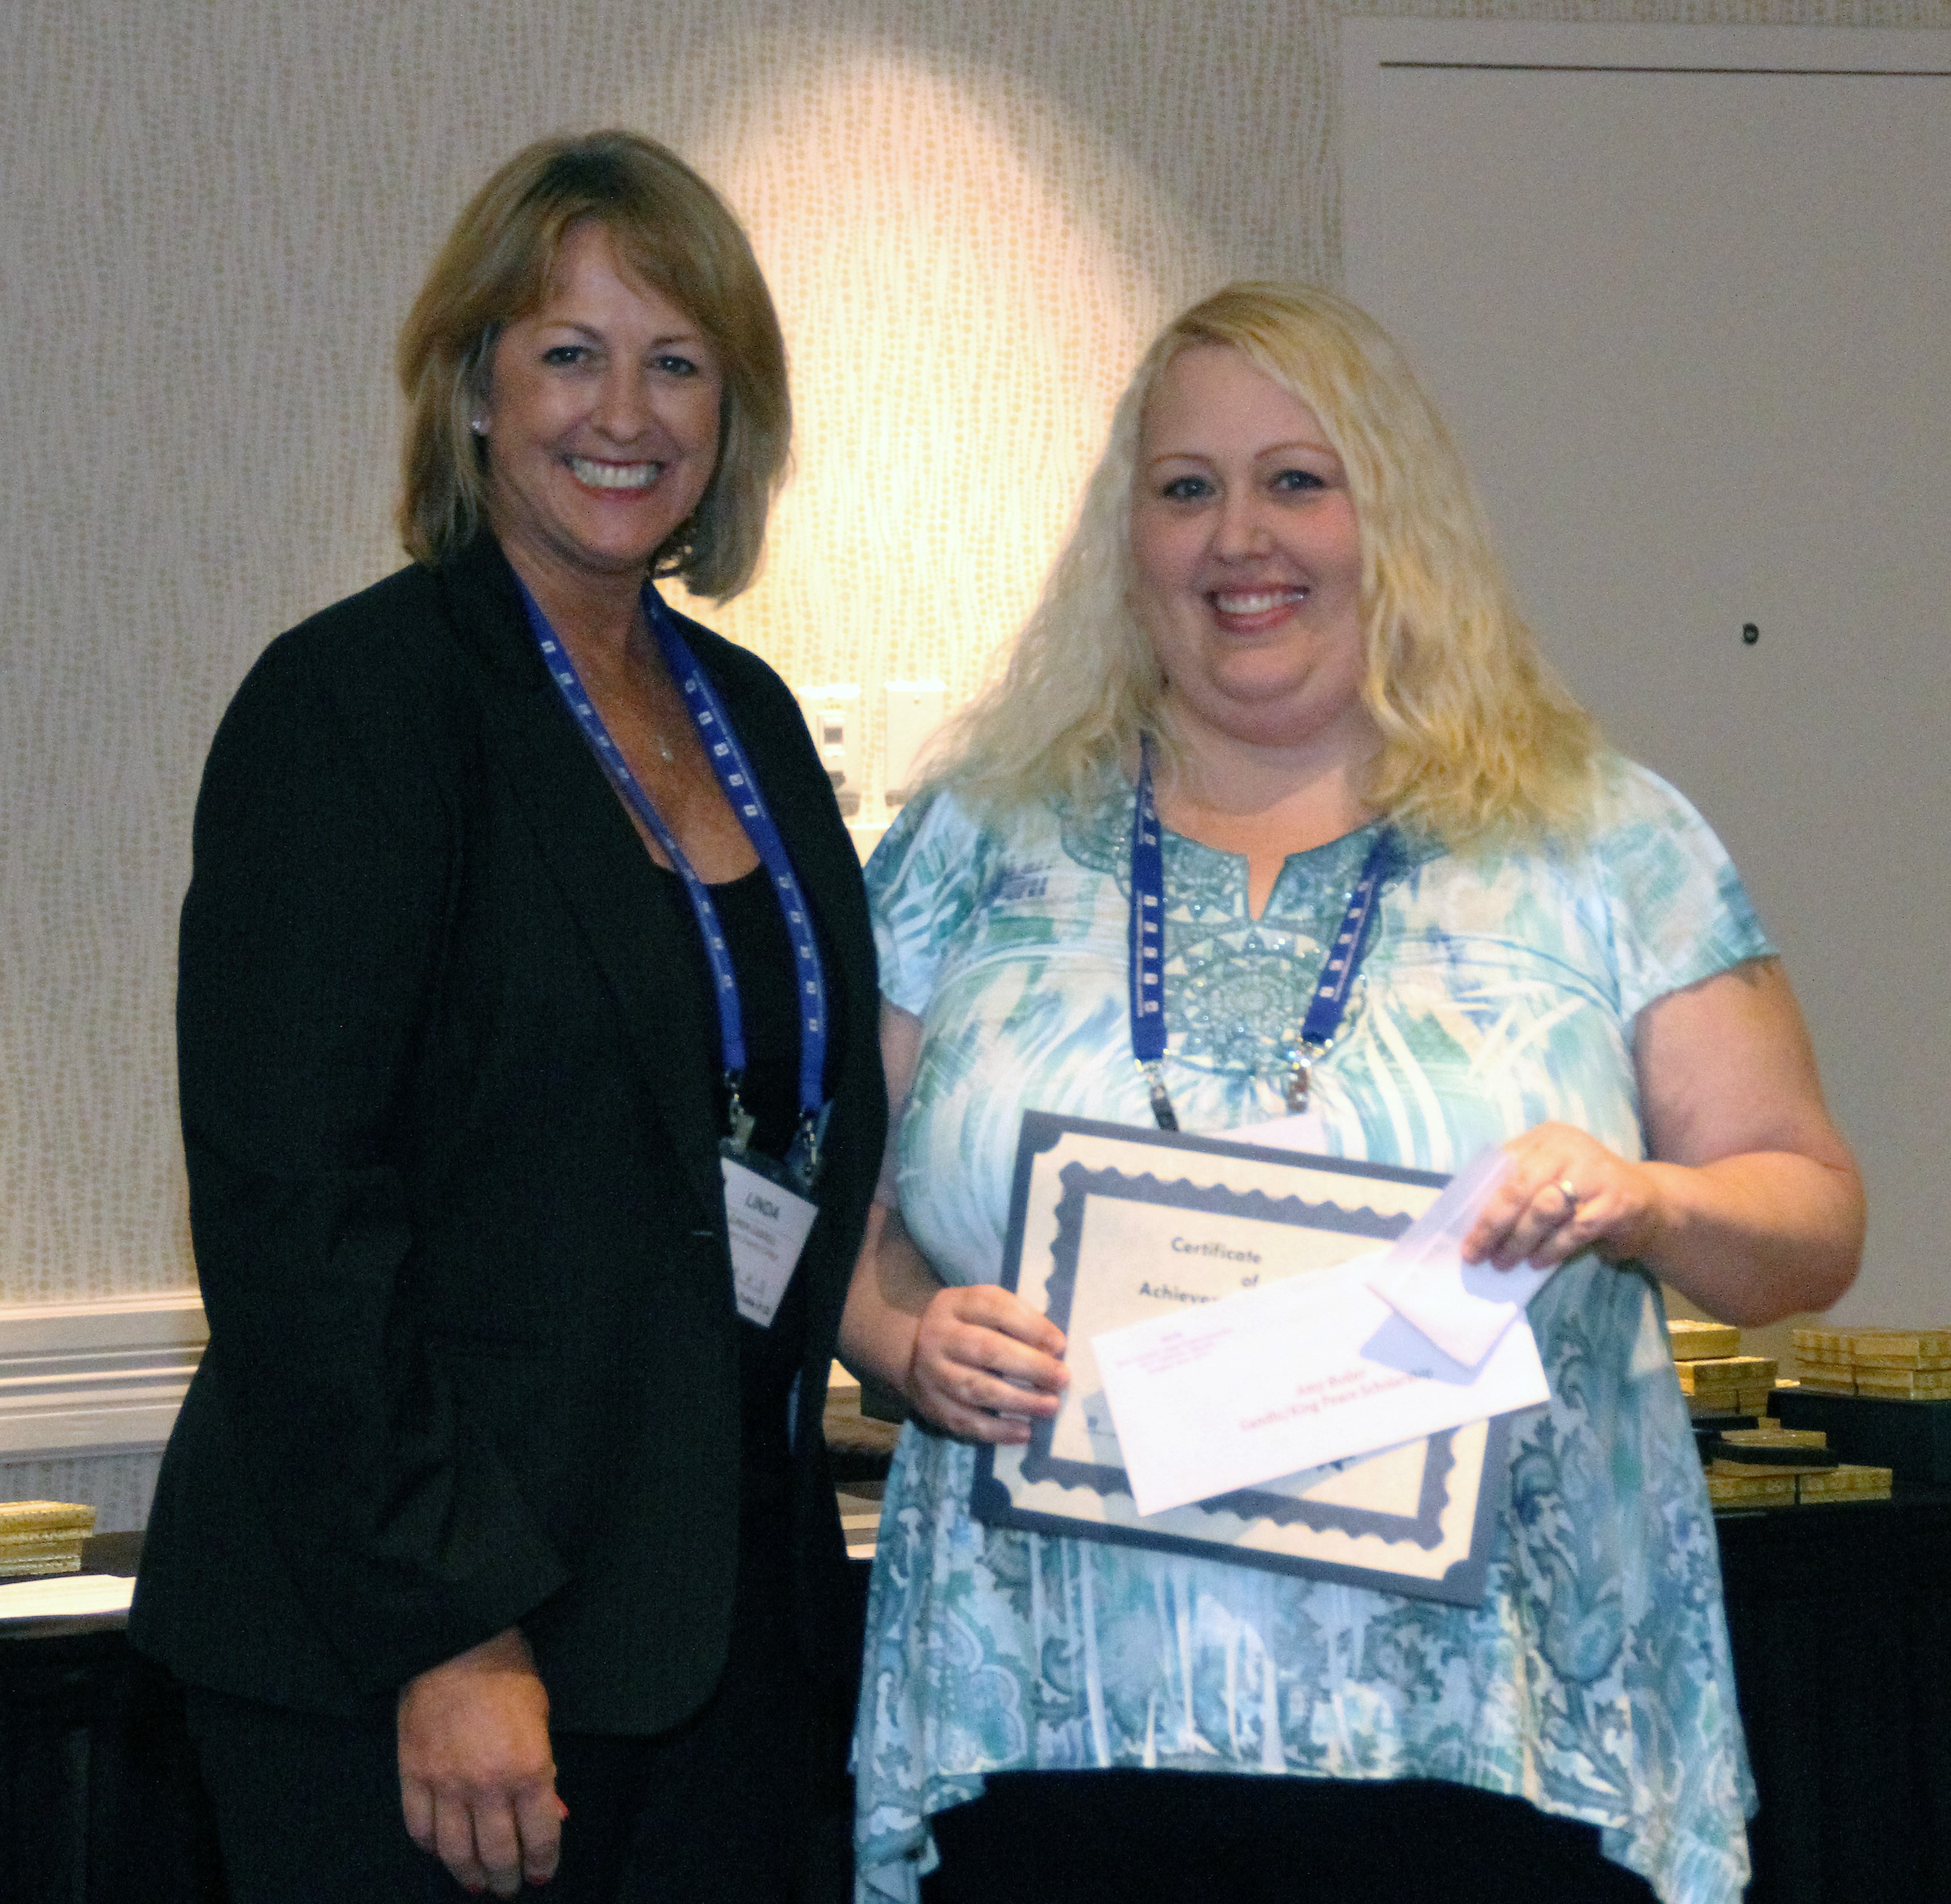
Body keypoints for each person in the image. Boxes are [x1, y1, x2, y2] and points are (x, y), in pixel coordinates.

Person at [839, 283, 1863, 1904]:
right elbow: (832, 1210)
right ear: (1129, 539)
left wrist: (1646, 1197)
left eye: (1294, 479)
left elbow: (1806, 1216)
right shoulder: (979, 840)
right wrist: (897, 1335)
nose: (1238, 537)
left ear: (1391, 514)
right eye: (1185, 489)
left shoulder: (1601, 837)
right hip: (1054, 1742)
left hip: (1492, 1751)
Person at [130, 130, 886, 1903]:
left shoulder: (751, 720)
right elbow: (294, 1211)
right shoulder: (357, 708)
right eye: (569, 351)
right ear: (473, 387)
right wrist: (451, 1629)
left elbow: (790, 1123)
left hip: (716, 1630)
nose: (624, 409)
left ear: (732, 417)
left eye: (676, 361)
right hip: (420, 1660)